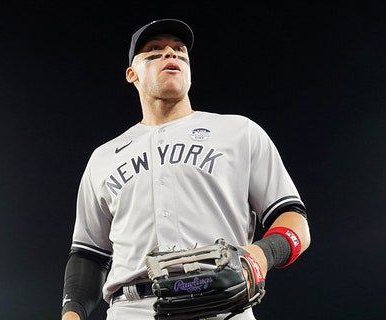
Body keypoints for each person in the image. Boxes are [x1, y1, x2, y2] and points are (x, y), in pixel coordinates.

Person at [61, 18, 311, 320]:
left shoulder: (238, 132)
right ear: (132, 74)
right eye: (155, 50)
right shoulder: (103, 157)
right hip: (132, 309)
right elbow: (89, 254)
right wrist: (71, 315)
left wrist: (259, 256)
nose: (171, 54)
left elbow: (294, 221)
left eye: (179, 50)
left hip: (222, 307)